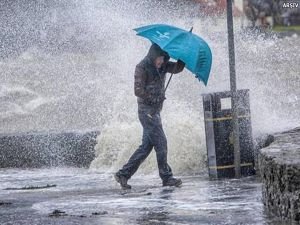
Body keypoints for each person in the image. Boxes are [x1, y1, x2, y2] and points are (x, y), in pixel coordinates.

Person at [114, 43, 185, 189]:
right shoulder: (142, 67)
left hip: (155, 111)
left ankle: (123, 174)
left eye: (163, 58)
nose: (161, 62)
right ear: (153, 56)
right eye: (159, 59)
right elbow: (137, 91)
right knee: (162, 143)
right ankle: (167, 177)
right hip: (146, 112)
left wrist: (182, 57)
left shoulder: (164, 65)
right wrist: (152, 98)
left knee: (146, 147)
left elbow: (177, 68)